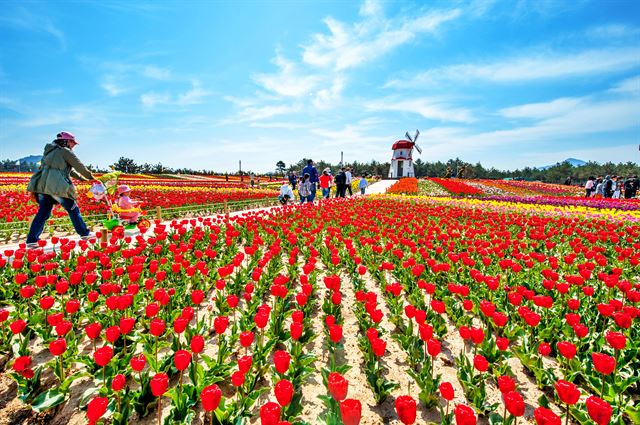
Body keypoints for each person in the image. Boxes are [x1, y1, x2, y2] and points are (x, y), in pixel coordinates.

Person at [26, 131, 95, 247]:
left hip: (43, 187)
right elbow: (79, 166)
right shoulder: (66, 152)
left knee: (42, 213)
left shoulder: (49, 152)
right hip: (57, 186)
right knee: (73, 209)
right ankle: (84, 233)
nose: (73, 145)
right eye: (73, 142)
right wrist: (91, 177)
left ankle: (32, 240)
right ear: (66, 141)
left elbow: (69, 170)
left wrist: (83, 179)